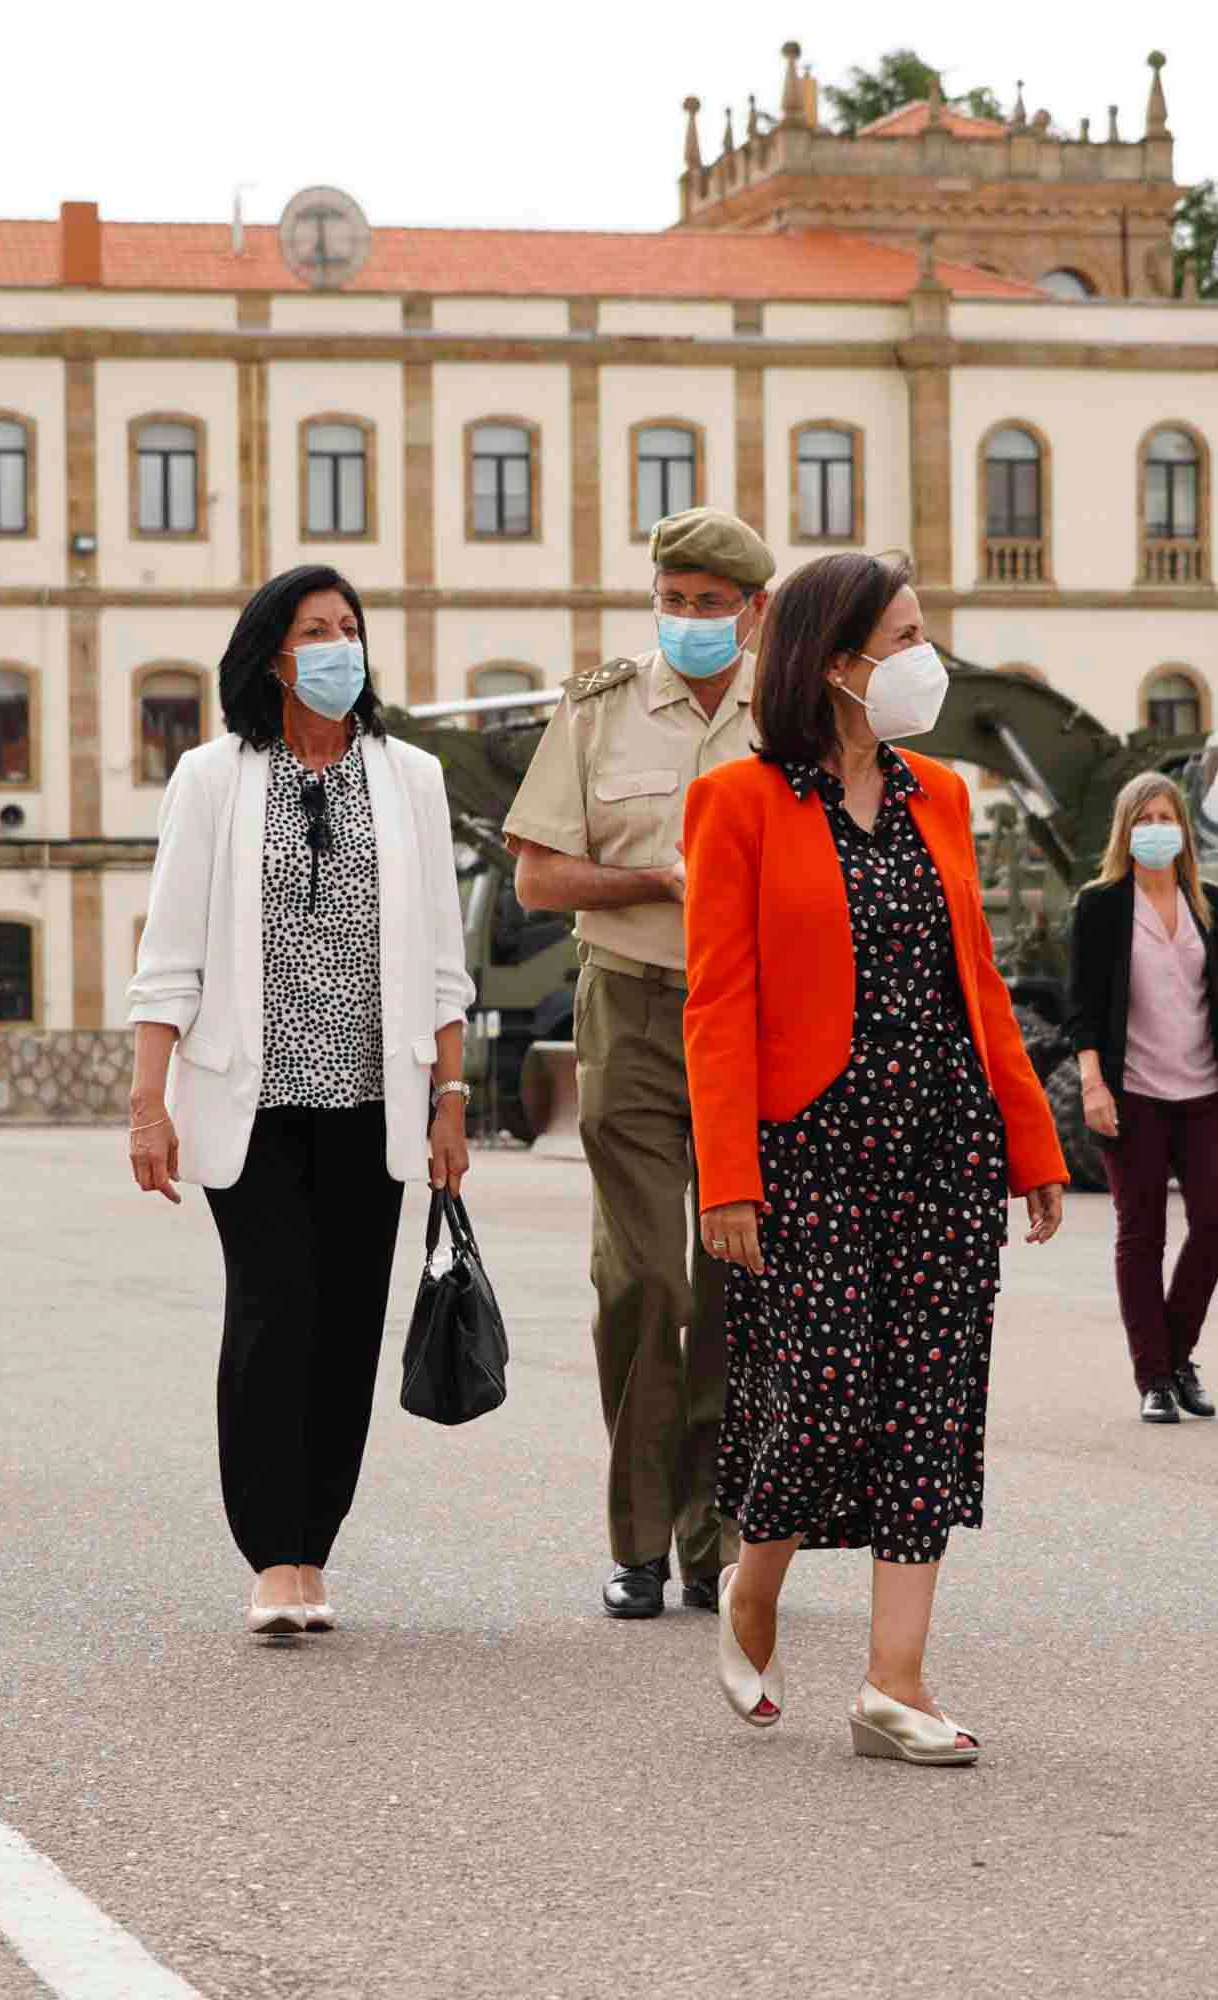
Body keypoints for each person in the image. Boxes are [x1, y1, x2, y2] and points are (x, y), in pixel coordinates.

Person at [683, 548, 1069, 1766]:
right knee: (830, 1385)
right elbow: (717, 1001)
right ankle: (757, 1582)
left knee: (932, 1402)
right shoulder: (738, 802)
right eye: (902, 637)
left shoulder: (941, 796)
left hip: (942, 1134)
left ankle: (894, 1681)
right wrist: (729, 1170)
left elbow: (979, 981)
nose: (924, 657)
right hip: (809, 1138)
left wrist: (1029, 1135)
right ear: (837, 663)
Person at [125, 564, 474, 1637]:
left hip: (378, 1100)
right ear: (272, 654)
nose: (339, 646)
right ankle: (272, 1552)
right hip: (253, 1096)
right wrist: (149, 1098)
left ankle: (315, 1543)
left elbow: (445, 959)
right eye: (316, 630)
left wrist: (450, 1097)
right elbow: (169, 950)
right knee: (275, 1306)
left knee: (347, 1326)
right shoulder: (214, 777)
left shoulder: (409, 775)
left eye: (350, 628)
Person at [504, 506, 771, 1619]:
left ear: (753, 611)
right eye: (673, 603)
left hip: (754, 1018)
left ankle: (716, 1538)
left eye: (711, 606)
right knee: (644, 1277)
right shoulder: (601, 708)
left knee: (733, 1275)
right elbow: (538, 879)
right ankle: (639, 1541)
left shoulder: (792, 714)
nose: (690, 623)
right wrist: (654, 881)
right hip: (631, 1006)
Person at [1070, 770, 1218, 1424]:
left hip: (1204, 1092)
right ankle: (1156, 1376)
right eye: (1142, 821)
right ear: (1125, 831)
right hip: (1133, 1094)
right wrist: (1092, 1081)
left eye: (1165, 818)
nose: (1155, 831)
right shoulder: (1101, 905)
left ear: (1183, 829)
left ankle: (1177, 1351)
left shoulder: (1211, 904)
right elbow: (1083, 1006)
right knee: (1141, 1234)